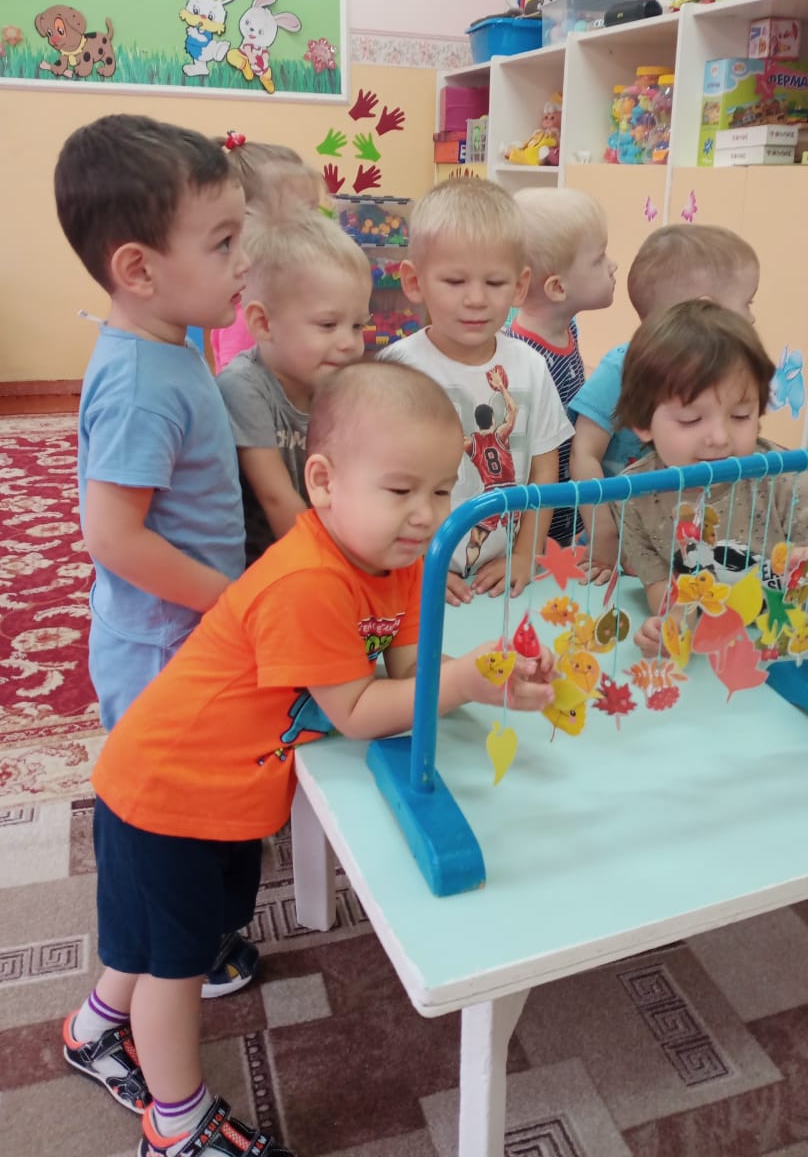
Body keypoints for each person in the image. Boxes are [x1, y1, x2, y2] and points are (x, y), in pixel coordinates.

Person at [62, 362, 555, 1157]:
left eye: (442, 489)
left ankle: (92, 1032)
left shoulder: (397, 561)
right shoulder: (308, 583)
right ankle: (175, 1125)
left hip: (223, 791)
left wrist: (485, 676)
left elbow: (406, 671)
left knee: (170, 932)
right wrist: (462, 683)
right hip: (166, 795)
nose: (428, 514)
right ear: (323, 482)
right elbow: (358, 711)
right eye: (401, 490)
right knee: (171, 966)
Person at [55, 113, 259, 1002]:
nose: (244, 261)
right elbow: (113, 535)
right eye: (223, 243)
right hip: (160, 644)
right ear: (138, 270)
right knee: (160, 816)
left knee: (205, 794)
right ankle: (136, 982)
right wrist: (229, 599)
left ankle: (197, 939)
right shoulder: (142, 383)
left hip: (187, 627)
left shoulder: (172, 342)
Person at [615, 300, 808, 924]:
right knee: (742, 745)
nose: (720, 436)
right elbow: (665, 591)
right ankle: (744, 837)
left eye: (741, 415)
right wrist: (665, 624)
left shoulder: (779, 476)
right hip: (742, 645)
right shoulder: (637, 495)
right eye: (692, 417)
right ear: (641, 423)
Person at [380, 177, 573, 606]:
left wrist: (525, 554)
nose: (476, 299)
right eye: (454, 281)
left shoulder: (531, 366)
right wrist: (414, 568)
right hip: (412, 575)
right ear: (414, 281)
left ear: (520, 286)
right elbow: (379, 482)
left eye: (495, 283)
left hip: (502, 576)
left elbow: (545, 470)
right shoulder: (397, 369)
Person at [569, 225, 759, 565]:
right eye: (747, 303)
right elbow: (583, 452)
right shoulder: (620, 368)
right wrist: (603, 534)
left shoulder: (727, 377)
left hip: (684, 540)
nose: (752, 317)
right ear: (703, 309)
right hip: (620, 546)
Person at [216, 207, 372, 564]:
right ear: (263, 323)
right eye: (328, 325)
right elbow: (276, 497)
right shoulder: (244, 386)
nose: (349, 343)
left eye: (358, 326)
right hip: (267, 559)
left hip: (325, 540)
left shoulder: (338, 381)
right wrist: (335, 567)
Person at [509, 188, 617, 546]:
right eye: (599, 258)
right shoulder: (527, 360)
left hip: (571, 507)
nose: (613, 265)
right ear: (557, 288)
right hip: (542, 524)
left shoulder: (567, 328)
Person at [212, 135, 329, 374]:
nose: (316, 225)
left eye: (315, 211)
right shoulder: (247, 311)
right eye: (302, 213)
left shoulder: (289, 289)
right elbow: (238, 384)